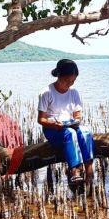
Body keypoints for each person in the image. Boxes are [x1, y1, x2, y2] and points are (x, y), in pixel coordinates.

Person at [37, 59, 95, 189]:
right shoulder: (46, 92)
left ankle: (89, 168)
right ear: (59, 76)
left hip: (69, 125)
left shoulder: (74, 92)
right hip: (52, 129)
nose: (70, 84)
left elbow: (77, 115)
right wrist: (54, 124)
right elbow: (41, 120)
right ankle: (74, 170)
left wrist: (77, 121)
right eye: (67, 81)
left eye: (73, 81)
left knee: (85, 131)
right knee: (70, 133)